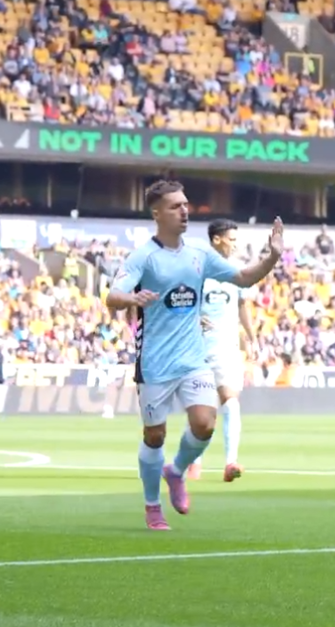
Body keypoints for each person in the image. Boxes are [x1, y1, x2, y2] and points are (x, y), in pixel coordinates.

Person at [106, 180, 283, 531]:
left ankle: (175, 471)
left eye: (186, 204)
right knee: (154, 436)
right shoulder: (144, 257)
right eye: (175, 206)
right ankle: (152, 506)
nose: (184, 210)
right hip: (155, 362)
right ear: (157, 213)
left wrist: (273, 256)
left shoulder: (200, 252)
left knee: (205, 424)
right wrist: (132, 298)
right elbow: (113, 295)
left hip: (193, 359)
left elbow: (243, 278)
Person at [188, 219, 257, 483]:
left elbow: (241, 305)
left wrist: (252, 336)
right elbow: (182, 304)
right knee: (203, 408)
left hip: (227, 346)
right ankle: (194, 462)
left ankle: (230, 462)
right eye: (232, 239)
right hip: (199, 347)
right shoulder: (198, 270)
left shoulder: (236, 272)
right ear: (217, 239)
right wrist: (194, 318)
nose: (235, 245)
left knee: (230, 401)